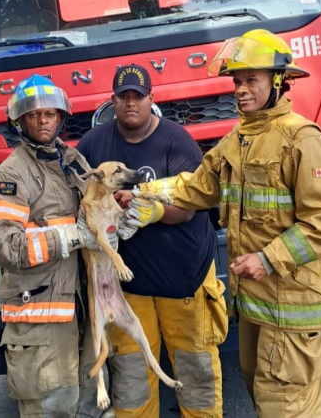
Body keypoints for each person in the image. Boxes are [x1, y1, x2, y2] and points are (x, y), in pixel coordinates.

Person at [132, 30, 321, 417]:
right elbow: (196, 186)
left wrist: (267, 259)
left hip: (293, 312)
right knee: (264, 399)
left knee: (286, 407)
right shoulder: (239, 139)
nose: (241, 90)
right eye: (237, 81)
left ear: (278, 81)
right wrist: (141, 194)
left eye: (251, 80)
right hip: (255, 308)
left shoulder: (301, 138)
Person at [76, 64, 228, 418]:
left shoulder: (177, 141)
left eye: (138, 97)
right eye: (123, 96)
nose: (131, 103)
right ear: (112, 101)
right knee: (131, 374)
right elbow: (78, 196)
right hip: (129, 286)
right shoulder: (94, 144)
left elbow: (191, 206)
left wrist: (152, 211)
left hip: (184, 278)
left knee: (195, 367)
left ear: (151, 100)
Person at [0, 74, 119, 418]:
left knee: (93, 402)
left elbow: (98, 208)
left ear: (60, 118)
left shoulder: (73, 163)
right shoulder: (10, 176)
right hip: (41, 314)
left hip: (85, 306)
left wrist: (120, 221)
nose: (43, 120)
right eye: (34, 114)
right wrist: (69, 237)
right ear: (20, 121)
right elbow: (5, 246)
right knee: (53, 407)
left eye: (50, 114)